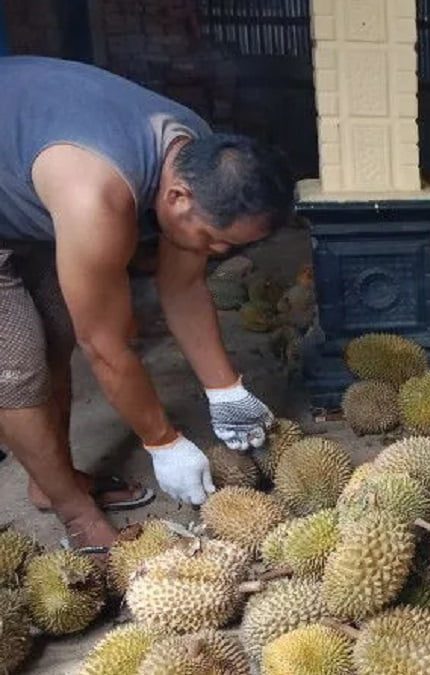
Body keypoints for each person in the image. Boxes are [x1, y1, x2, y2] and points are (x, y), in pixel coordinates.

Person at [0, 55, 292, 554]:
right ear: (177, 198)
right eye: (215, 240)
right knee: (17, 367)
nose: (219, 252)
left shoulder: (195, 152)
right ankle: (75, 512)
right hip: (51, 175)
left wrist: (226, 390)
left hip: (24, 171)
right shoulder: (96, 200)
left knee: (55, 331)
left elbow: (182, 287)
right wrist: (162, 441)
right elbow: (105, 347)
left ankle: (48, 481)